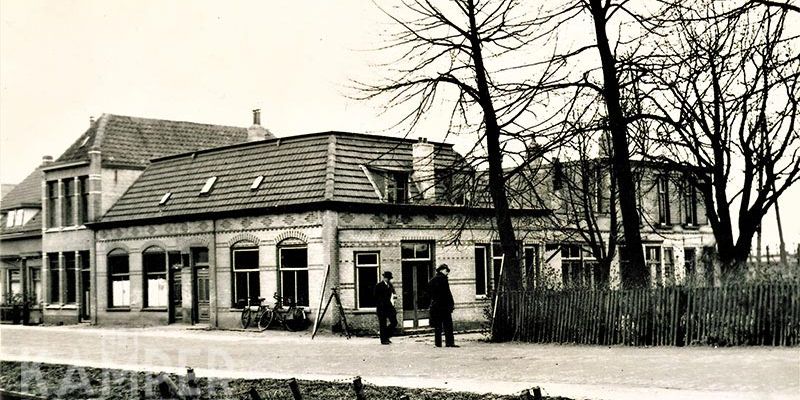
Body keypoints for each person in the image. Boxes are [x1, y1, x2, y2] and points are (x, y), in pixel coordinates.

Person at [428, 263, 458, 347]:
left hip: (436, 306)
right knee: (448, 325)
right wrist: (451, 304)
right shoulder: (443, 279)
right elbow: (447, 293)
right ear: (441, 270)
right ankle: (449, 343)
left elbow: (428, 291)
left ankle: (438, 344)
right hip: (444, 306)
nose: (447, 272)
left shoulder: (433, 280)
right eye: (446, 270)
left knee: (438, 326)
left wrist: (434, 299)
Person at [374, 271, 397, 345]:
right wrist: (381, 303)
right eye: (387, 278)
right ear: (385, 278)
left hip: (390, 307)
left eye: (389, 278)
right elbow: (375, 297)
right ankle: (383, 340)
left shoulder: (390, 285)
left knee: (394, 322)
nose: (388, 280)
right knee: (383, 324)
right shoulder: (379, 286)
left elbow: (393, 293)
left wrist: (394, 297)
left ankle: (386, 335)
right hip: (382, 308)